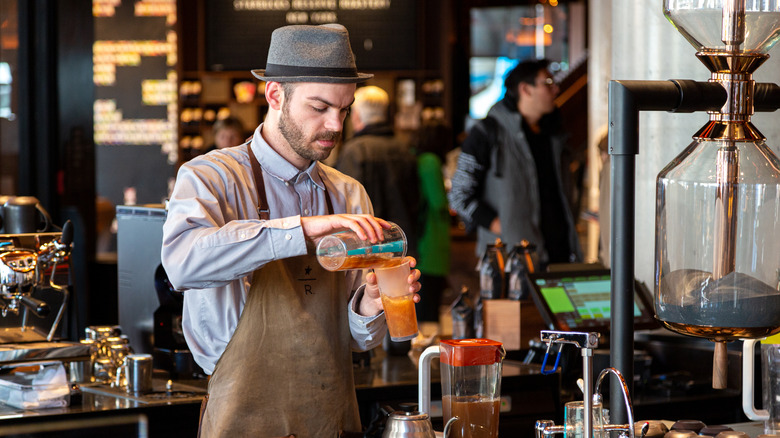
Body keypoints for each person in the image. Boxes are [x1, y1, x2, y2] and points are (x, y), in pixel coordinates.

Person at [161, 24, 421, 438]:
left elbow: (356, 340)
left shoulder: (349, 194)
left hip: (330, 418)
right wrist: (300, 229)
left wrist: (371, 306)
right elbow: (183, 264)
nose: (335, 125)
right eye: (319, 108)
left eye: (344, 109)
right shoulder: (211, 177)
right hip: (241, 420)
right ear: (275, 95)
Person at [448, 59, 582, 270]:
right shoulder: (486, 132)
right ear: (525, 89)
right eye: (547, 83)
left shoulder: (555, 135)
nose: (555, 89)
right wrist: (504, 227)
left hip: (560, 257)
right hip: (510, 263)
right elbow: (458, 196)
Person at [335, 85, 420, 257]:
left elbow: (346, 205)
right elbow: (416, 201)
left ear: (356, 116)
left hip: (368, 248)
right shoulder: (403, 148)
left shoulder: (355, 150)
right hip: (402, 242)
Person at [413, 120, 452, 322]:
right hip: (431, 240)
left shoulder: (418, 158)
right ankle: (427, 351)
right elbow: (438, 203)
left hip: (422, 240)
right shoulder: (430, 161)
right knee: (429, 308)